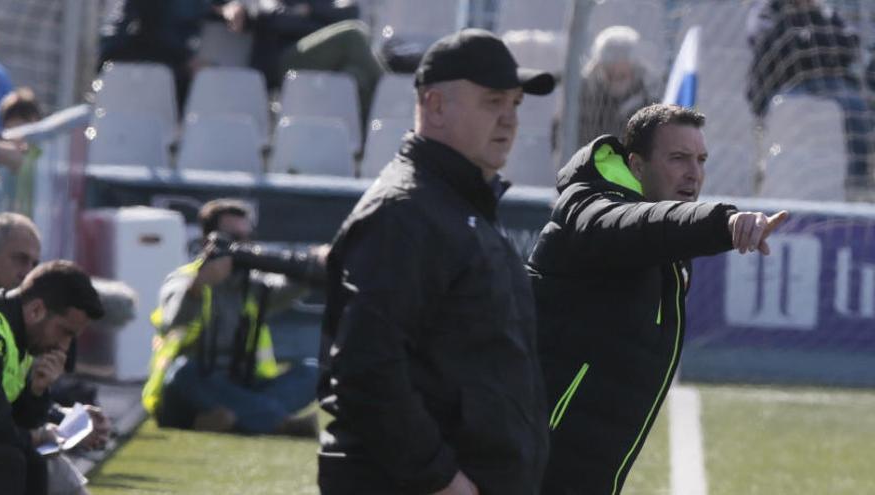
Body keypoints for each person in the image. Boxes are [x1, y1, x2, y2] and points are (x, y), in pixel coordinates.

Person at [317, 29, 556, 495]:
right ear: (436, 105)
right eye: (492, 102)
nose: (509, 120)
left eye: (515, 104)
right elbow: (366, 367)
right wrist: (441, 479)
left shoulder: (458, 205)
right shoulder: (406, 211)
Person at [528, 104, 789, 494]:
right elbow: (640, 227)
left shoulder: (668, 246)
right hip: (530, 463)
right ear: (636, 166)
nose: (694, 173)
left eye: (700, 160)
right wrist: (723, 222)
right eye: (678, 158)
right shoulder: (589, 209)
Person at [142, 198, 327, 436]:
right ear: (207, 241)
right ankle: (279, 423)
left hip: (242, 383)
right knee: (182, 372)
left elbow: (294, 285)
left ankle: (221, 420)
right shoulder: (183, 280)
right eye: (233, 239)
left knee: (313, 372)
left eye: (246, 238)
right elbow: (174, 321)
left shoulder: (254, 285)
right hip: (195, 386)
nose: (242, 246)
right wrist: (198, 286)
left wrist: (317, 260)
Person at [0, 213, 112, 495]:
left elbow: (13, 419)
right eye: (65, 332)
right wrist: (38, 434)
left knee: (32, 459)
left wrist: (38, 392)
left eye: (33, 263)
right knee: (9, 459)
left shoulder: (22, 332)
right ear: (36, 310)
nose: (64, 345)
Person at [746, 0, 872, 184]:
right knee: (794, 109)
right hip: (784, 84)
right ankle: (778, 176)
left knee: (856, 106)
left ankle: (855, 182)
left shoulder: (823, 11)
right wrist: (802, 33)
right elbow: (760, 38)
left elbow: (848, 42)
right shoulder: (766, 9)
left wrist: (810, 28)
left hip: (828, 82)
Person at [217, 0, 386, 125]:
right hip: (282, 63)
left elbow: (350, 12)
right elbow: (272, 17)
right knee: (353, 34)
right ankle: (392, 95)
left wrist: (309, 11)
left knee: (357, 75)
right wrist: (316, 21)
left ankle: (367, 141)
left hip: (323, 64)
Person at [575, 25, 657, 146]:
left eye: (622, 75)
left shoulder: (651, 98)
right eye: (610, 72)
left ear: (635, 65)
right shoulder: (583, 97)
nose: (615, 70)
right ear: (599, 66)